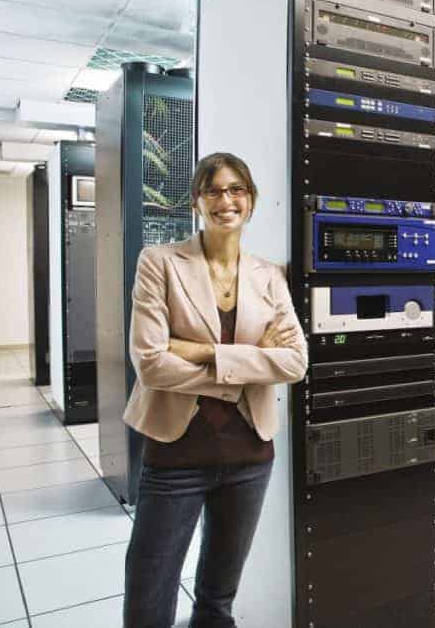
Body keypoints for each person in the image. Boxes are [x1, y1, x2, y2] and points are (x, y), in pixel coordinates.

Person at [122, 152, 307, 627]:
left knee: (218, 598)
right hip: (176, 451)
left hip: (249, 455)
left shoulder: (270, 275)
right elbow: (150, 364)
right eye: (214, 190)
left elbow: (294, 361)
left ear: (251, 199)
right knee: (149, 594)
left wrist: (202, 352)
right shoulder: (160, 263)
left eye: (236, 190)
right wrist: (251, 360)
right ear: (197, 201)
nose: (226, 200)